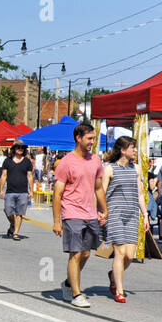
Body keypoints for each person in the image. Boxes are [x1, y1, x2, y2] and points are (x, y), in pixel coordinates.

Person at [52, 121, 107, 309]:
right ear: (78, 138)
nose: (92, 141)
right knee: (75, 254)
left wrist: (104, 209)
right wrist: (57, 221)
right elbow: (57, 194)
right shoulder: (66, 162)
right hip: (72, 213)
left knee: (85, 253)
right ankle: (76, 293)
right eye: (89, 138)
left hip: (90, 213)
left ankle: (68, 283)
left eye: (93, 138)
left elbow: (98, 188)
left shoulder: (95, 160)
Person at [102, 136, 149, 304]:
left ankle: (112, 275)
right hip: (115, 214)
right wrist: (102, 212)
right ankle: (119, 290)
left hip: (132, 214)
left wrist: (145, 214)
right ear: (123, 150)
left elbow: (140, 194)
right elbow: (102, 192)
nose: (135, 150)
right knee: (120, 253)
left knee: (130, 255)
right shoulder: (109, 169)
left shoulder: (136, 169)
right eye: (132, 147)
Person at [0, 143, 35, 240]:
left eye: (22, 148)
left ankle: (16, 233)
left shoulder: (27, 162)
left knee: (19, 213)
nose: (20, 149)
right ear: (14, 149)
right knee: (8, 211)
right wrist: (1, 189)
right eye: (18, 147)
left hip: (23, 191)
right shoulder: (7, 161)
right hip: (10, 191)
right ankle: (13, 224)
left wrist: (32, 191)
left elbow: (30, 176)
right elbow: (4, 175)